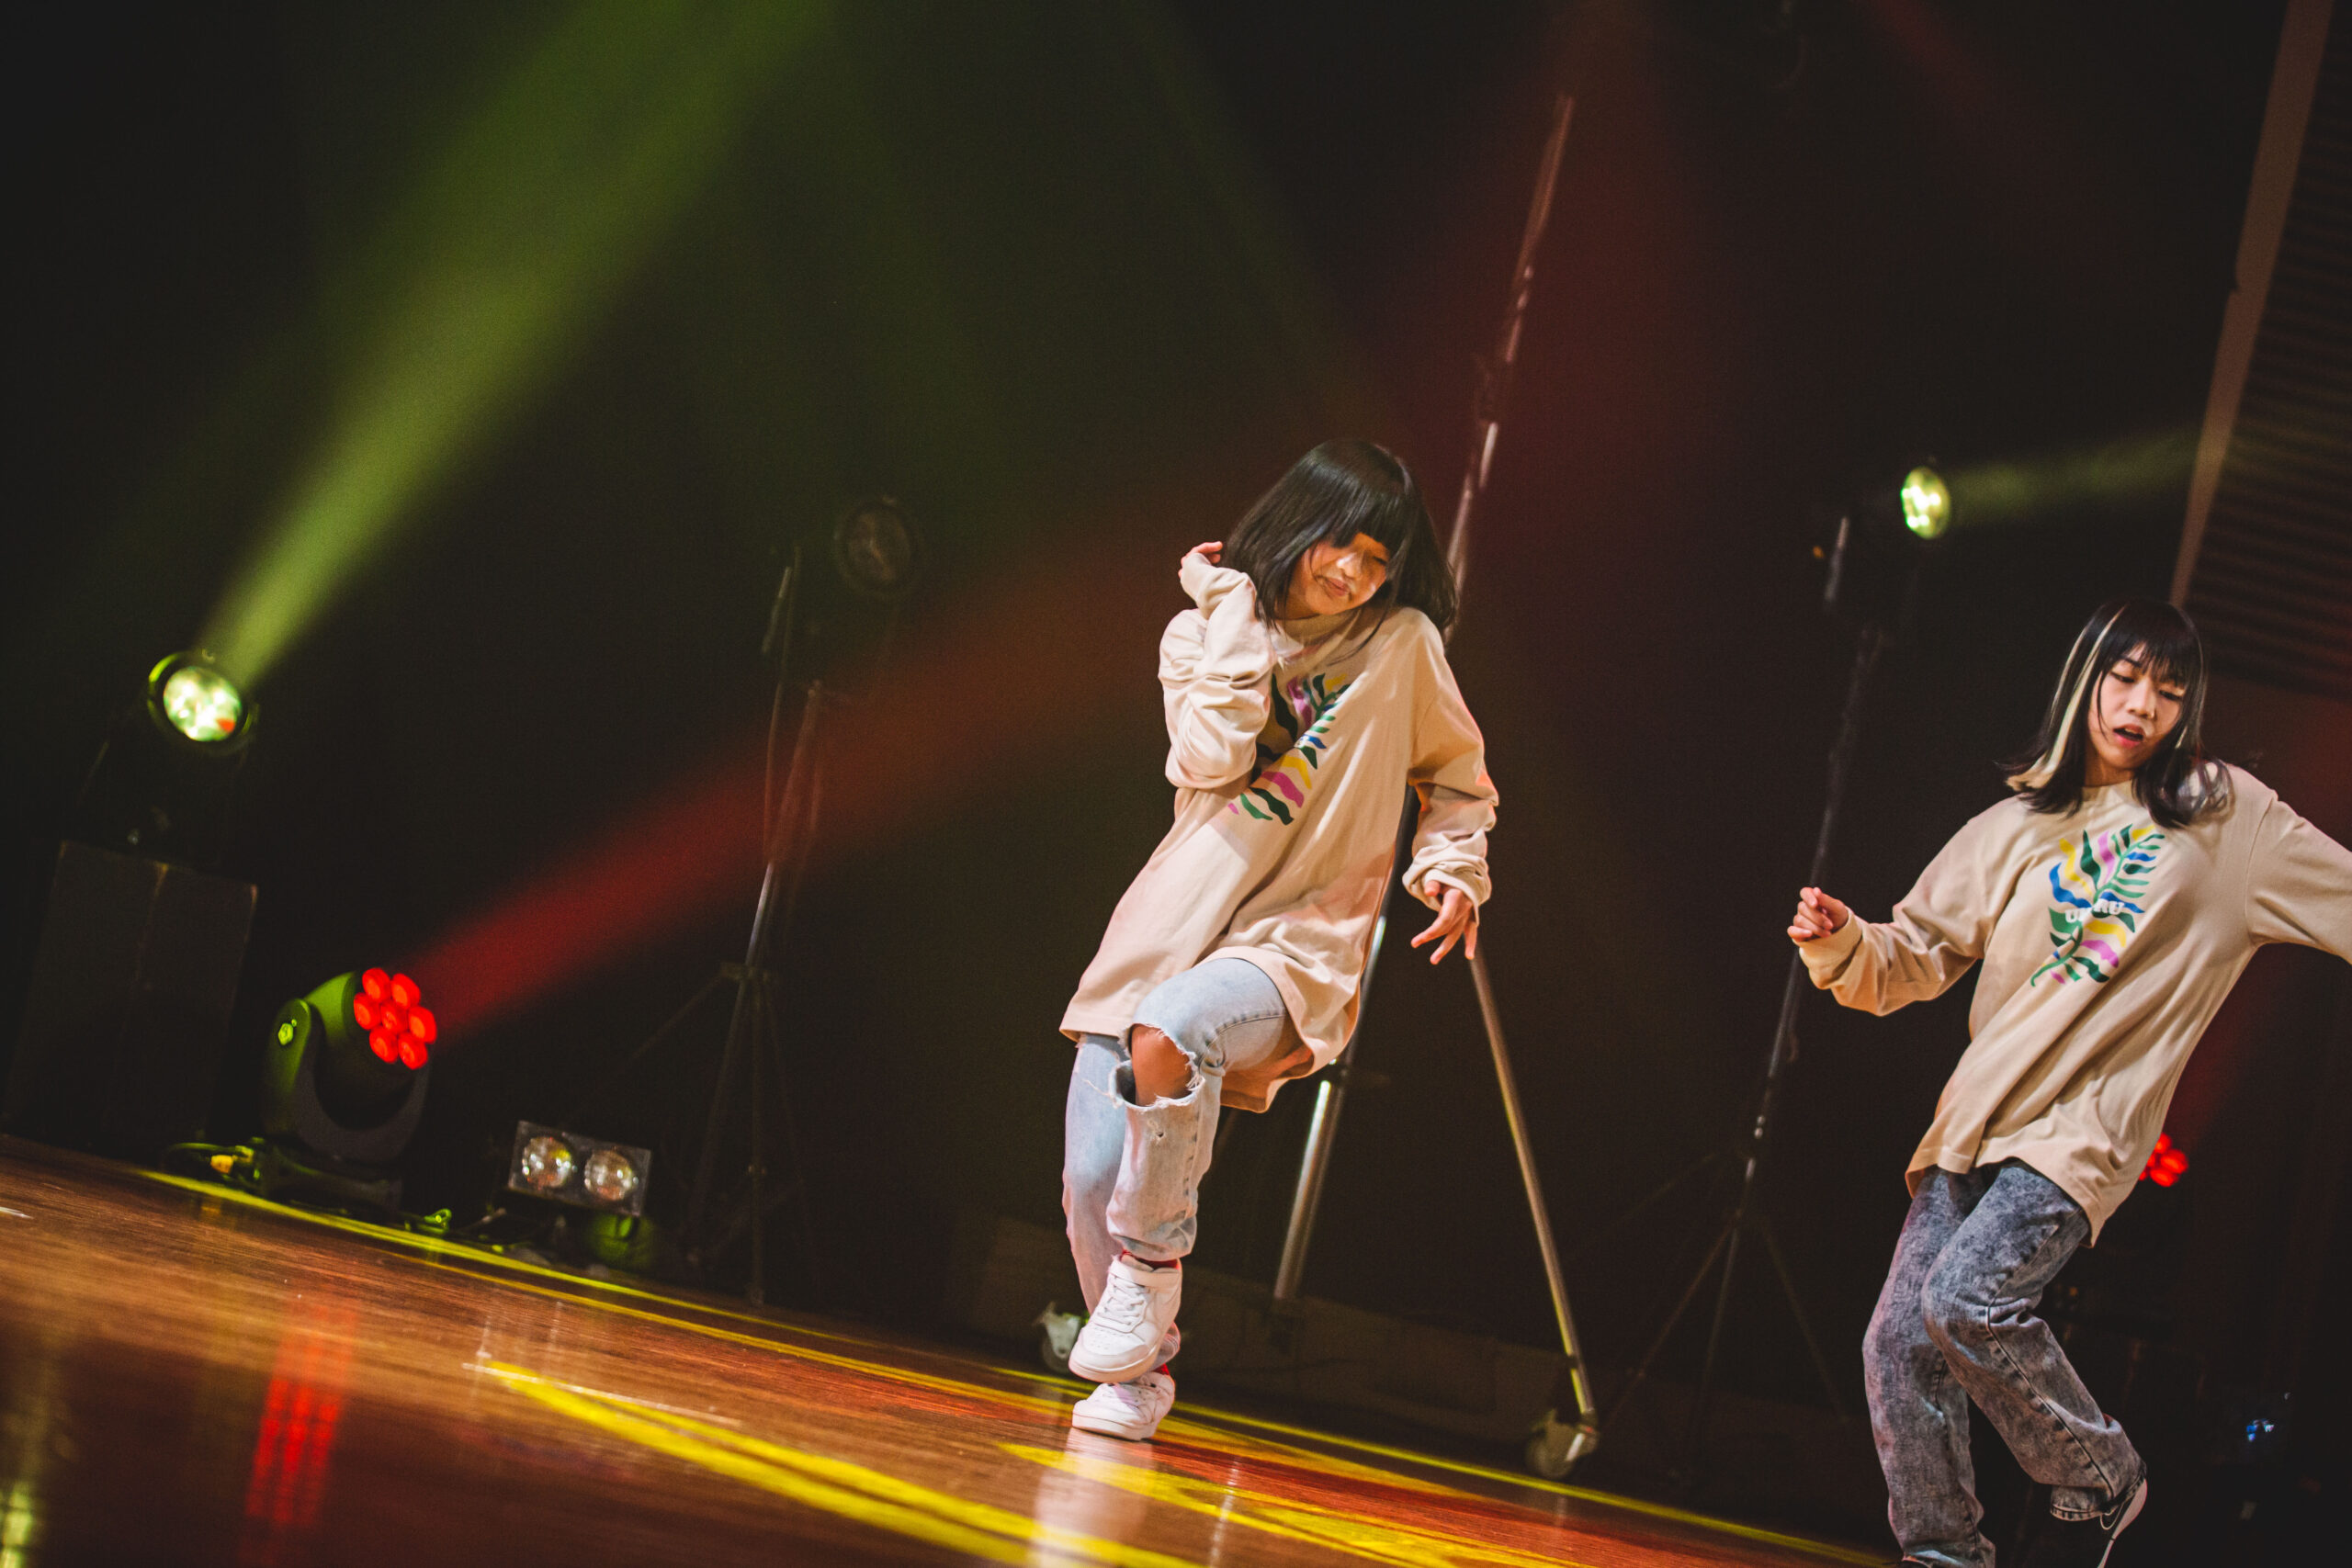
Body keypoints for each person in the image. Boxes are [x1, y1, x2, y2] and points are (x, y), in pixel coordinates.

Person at [1789, 598, 2352, 1568]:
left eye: (2167, 692)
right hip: (1975, 1125)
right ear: (2085, 682)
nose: (2140, 707)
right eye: (2124, 680)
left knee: (1965, 1302)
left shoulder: (2226, 814)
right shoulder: (2014, 825)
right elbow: (1910, 956)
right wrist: (1842, 941)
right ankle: (1944, 1554)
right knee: (1897, 1345)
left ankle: (2102, 1474)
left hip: (2083, 1129)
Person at [1057, 439, 1495, 1441]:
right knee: (1089, 1184)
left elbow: (1459, 781)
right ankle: (1141, 1374)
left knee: (1176, 1027)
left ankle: (1153, 1267)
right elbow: (1208, 756)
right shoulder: (1198, 632)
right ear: (1300, 524)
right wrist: (1234, 612)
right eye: (1344, 545)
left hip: (1298, 939)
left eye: (1379, 561)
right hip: (1171, 926)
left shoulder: (1402, 644)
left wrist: (1451, 868)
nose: (1356, 574)